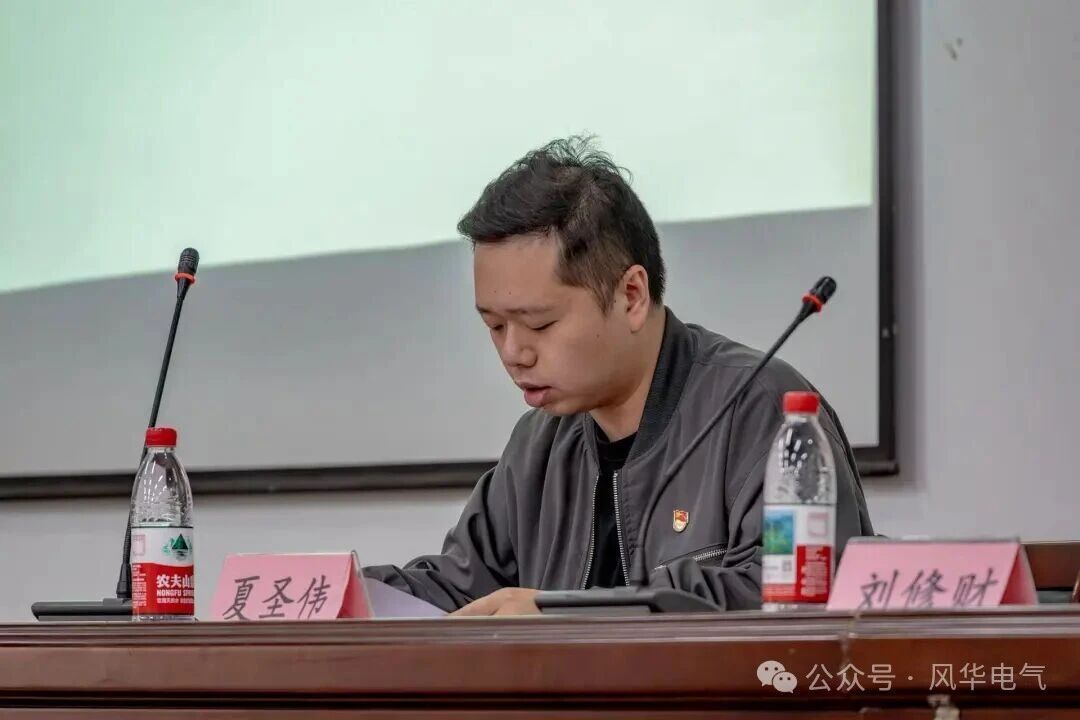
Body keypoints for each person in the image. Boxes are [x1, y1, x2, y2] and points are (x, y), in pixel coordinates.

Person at [364, 137, 874, 615]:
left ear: (631, 296)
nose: (514, 353)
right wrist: (341, 592)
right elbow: (459, 588)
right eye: (494, 326)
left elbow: (800, 594)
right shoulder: (539, 443)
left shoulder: (760, 408)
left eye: (539, 324)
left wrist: (567, 615)